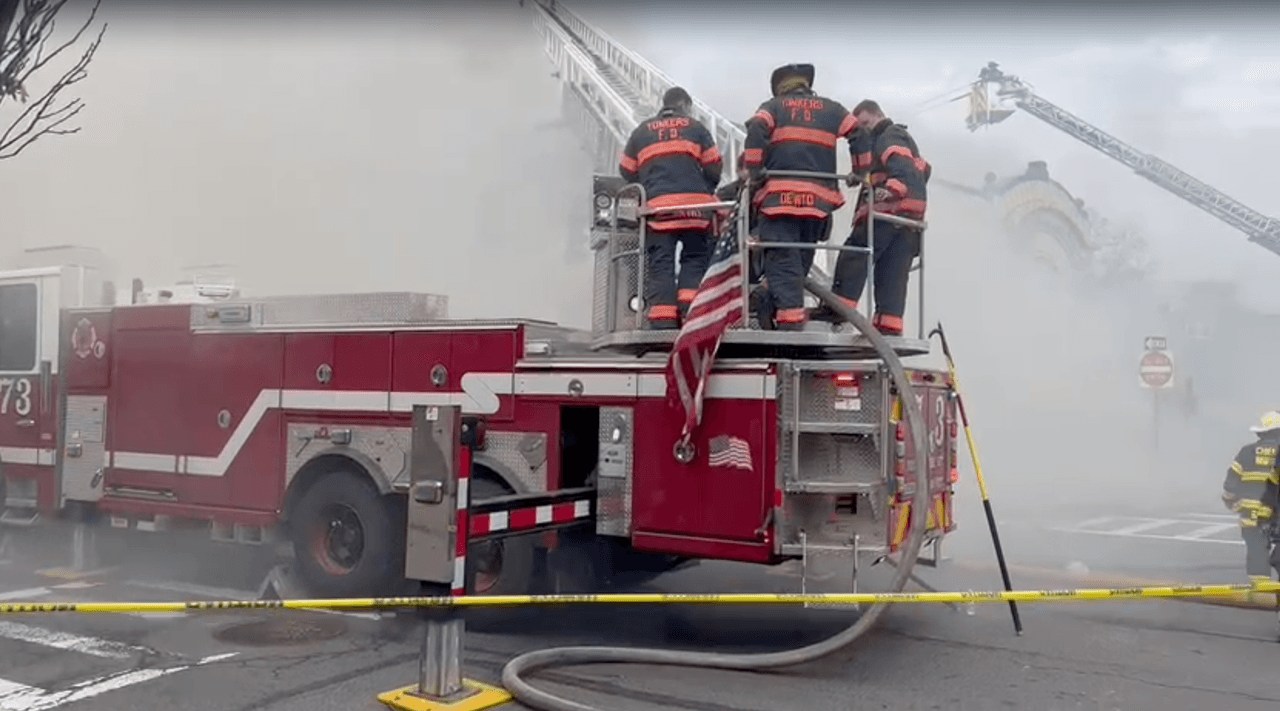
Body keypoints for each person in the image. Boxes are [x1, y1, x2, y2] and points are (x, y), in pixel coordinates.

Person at [742, 63, 858, 331]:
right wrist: (860, 172)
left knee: (783, 265)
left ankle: (789, 328)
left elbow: (757, 129)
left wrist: (756, 170)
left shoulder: (773, 107)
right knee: (798, 267)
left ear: (780, 88)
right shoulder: (832, 109)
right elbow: (858, 132)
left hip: (780, 204)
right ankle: (769, 303)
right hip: (816, 207)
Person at [816, 99, 930, 336]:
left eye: (866, 123)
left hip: (886, 215)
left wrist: (892, 189)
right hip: (909, 224)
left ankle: (839, 309)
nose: (864, 130)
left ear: (877, 116)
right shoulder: (906, 140)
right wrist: (861, 177)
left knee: (854, 255)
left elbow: (902, 167)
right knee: (891, 275)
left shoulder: (888, 135)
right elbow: (923, 171)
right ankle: (888, 327)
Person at [619, 87, 723, 329]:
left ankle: (663, 322)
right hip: (696, 210)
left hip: (658, 211)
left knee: (661, 264)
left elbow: (626, 169)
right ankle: (692, 315)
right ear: (685, 105)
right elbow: (714, 166)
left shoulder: (641, 132)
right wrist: (705, 189)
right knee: (695, 259)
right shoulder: (696, 128)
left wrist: (650, 184)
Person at [1221, 411, 1280, 601]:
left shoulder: (1246, 452)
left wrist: (1230, 501)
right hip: (1275, 514)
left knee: (1256, 550)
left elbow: (1231, 483)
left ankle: (1260, 595)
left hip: (1251, 512)